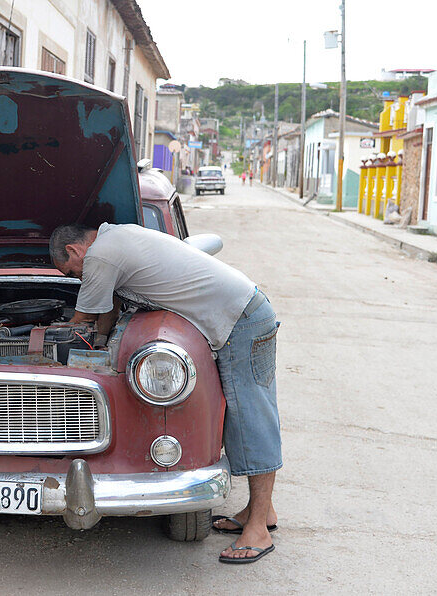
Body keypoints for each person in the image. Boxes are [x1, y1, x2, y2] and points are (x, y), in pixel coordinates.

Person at [49, 223, 281, 564]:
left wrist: (64, 328)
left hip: (240, 320)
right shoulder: (117, 238)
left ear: (74, 251)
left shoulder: (100, 254)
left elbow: (85, 316)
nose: (78, 277)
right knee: (244, 416)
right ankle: (261, 513)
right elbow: (108, 313)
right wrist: (99, 341)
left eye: (72, 272)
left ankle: (258, 529)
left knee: (252, 417)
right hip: (242, 312)